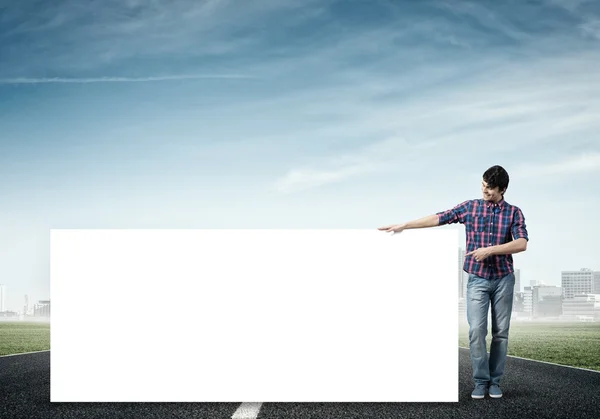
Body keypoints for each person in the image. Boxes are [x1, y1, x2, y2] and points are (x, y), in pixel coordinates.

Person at [378, 165, 528, 400]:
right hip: (477, 279)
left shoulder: (514, 213)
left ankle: (495, 382)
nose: (484, 192)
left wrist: (490, 251)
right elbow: (440, 217)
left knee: (501, 333)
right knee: (477, 331)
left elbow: (521, 243)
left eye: (489, 190)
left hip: (503, 280)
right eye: (482, 186)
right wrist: (405, 225)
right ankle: (481, 381)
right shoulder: (471, 207)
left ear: (503, 189)